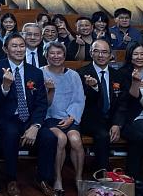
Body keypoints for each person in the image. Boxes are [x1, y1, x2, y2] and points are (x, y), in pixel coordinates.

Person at [0, 33, 56, 196]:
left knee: (49, 137)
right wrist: (5, 86)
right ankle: (11, 179)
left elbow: (41, 104)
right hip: (6, 118)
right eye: (14, 46)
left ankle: (43, 179)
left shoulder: (35, 72)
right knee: (11, 134)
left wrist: (35, 126)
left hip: (29, 119)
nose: (19, 49)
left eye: (21, 46)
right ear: (5, 49)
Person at [42, 41, 85, 196]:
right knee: (61, 139)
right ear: (46, 55)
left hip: (69, 117)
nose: (56, 56)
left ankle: (79, 178)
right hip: (50, 117)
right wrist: (51, 91)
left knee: (75, 140)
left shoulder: (73, 75)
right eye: (52, 53)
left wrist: (71, 117)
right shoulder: (41, 73)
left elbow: (79, 99)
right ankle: (58, 178)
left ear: (64, 55)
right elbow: (42, 103)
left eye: (59, 53)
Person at [79, 39, 126, 173]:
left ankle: (133, 177)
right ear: (90, 53)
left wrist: (117, 124)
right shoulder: (81, 73)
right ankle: (102, 174)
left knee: (137, 133)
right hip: (90, 119)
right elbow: (82, 102)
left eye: (104, 52)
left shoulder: (118, 75)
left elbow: (122, 103)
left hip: (112, 119)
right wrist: (93, 88)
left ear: (110, 55)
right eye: (96, 51)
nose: (101, 55)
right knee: (103, 135)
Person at [120, 41, 143, 193]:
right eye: (136, 54)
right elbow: (126, 102)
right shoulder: (123, 73)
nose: (140, 57)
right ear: (130, 56)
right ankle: (135, 179)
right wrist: (135, 83)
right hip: (133, 117)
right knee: (140, 134)